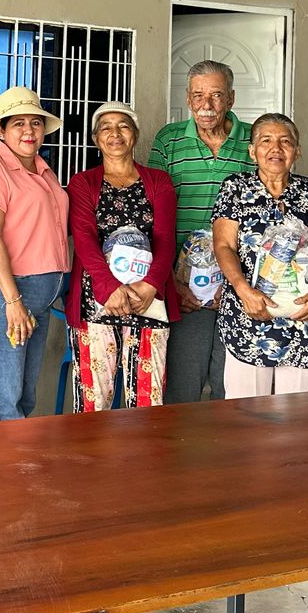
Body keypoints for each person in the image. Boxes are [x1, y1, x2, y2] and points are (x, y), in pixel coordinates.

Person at [148, 60, 256, 405]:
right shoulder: (169, 140)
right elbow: (152, 214)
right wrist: (171, 282)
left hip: (239, 284)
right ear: (188, 98)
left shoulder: (255, 140)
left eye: (216, 95)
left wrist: (239, 284)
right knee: (182, 386)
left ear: (231, 98)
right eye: (198, 95)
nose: (206, 105)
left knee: (232, 388)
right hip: (184, 286)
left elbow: (265, 215)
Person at [210, 113, 308, 397]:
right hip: (249, 314)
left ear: (297, 151)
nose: (276, 148)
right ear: (252, 151)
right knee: (245, 413)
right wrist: (243, 290)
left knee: (297, 415)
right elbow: (224, 246)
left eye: (285, 142)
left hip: (304, 319)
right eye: (266, 141)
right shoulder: (235, 188)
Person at [0, 87, 71, 422]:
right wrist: (13, 301)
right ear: (1, 131)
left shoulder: (43, 170)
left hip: (38, 297)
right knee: (4, 395)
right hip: (6, 292)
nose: (29, 131)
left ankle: (12, 454)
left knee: (24, 394)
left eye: (35, 123)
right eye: (18, 123)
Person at [65, 103, 180, 410]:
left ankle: (141, 448)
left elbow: (165, 239)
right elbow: (85, 240)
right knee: (93, 403)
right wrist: (109, 288)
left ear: (135, 135)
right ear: (95, 138)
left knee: (147, 401)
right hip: (96, 300)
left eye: (123, 126)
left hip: (148, 300)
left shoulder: (158, 181)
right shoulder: (83, 183)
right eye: (106, 127)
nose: (115, 133)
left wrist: (150, 285)